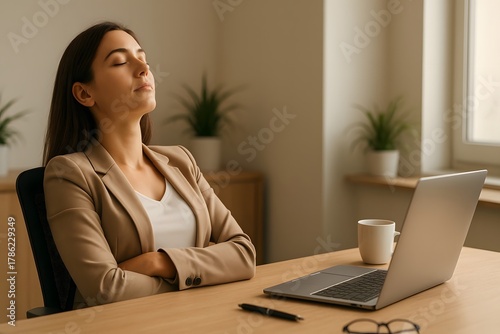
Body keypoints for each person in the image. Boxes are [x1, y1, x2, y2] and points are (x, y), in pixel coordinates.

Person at [42, 21, 256, 307]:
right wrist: (206, 272)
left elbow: (243, 254)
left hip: (199, 318)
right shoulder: (69, 175)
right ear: (84, 94)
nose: (143, 69)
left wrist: (159, 262)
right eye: (120, 61)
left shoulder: (181, 160)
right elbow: (105, 290)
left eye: (144, 59)